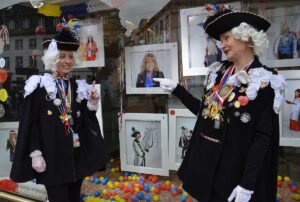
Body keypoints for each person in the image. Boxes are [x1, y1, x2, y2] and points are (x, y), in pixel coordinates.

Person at [154, 8, 286, 202]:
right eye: (221, 40)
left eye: (226, 38)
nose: (222, 45)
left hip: (234, 171)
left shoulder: (266, 81)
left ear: (247, 38)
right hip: (207, 165)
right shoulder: (219, 73)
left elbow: (262, 139)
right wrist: (177, 89)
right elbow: (206, 113)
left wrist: (247, 183)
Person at [10, 28, 109, 202]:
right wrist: (35, 153)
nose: (67, 61)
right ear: (54, 58)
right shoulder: (40, 87)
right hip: (52, 160)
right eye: (63, 56)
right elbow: (31, 123)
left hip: (75, 160)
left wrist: (92, 102)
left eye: (70, 56)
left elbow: (85, 119)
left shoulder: (78, 87)